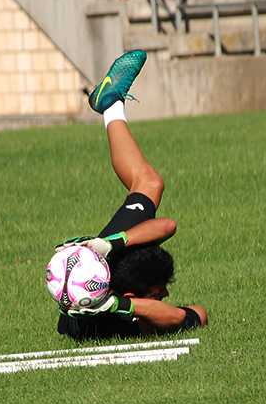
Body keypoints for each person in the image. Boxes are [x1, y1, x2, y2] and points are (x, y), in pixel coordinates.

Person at [55, 50, 208, 341]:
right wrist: (117, 301)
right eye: (158, 291)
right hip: (103, 274)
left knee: (149, 183)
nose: (166, 294)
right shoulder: (116, 313)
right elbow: (194, 314)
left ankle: (111, 103)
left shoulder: (102, 301)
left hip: (96, 265)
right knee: (150, 182)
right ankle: (110, 103)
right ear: (129, 297)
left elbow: (169, 227)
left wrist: (105, 247)